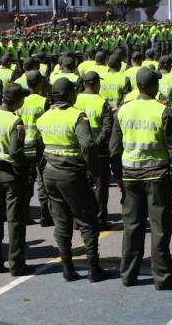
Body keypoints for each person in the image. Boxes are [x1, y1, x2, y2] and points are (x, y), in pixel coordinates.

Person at [111, 67, 172, 289]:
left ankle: (128, 274)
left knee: (132, 227)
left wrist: (118, 176)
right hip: (157, 177)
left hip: (131, 176)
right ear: (153, 86)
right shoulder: (162, 111)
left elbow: (114, 149)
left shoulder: (123, 111)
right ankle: (162, 277)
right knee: (160, 228)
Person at [35, 78, 109, 283]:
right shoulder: (77, 116)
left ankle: (68, 268)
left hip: (50, 174)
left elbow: (39, 148)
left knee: (61, 222)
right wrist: (94, 171)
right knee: (87, 220)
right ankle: (94, 268)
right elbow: (87, 145)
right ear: (70, 94)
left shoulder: (44, 117)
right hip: (72, 174)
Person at [0, 83, 32, 276]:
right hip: (10, 175)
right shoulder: (15, 121)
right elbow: (16, 152)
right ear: (18, 101)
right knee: (15, 221)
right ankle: (17, 265)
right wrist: (27, 165)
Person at [74, 71, 113, 229]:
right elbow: (107, 127)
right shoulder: (102, 102)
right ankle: (99, 220)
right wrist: (96, 144)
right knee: (100, 187)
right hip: (99, 151)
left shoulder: (75, 99)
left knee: (80, 186)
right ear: (97, 84)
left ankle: (80, 220)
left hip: (79, 150)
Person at [18, 70, 50, 225]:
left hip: (23, 145)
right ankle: (45, 216)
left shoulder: (20, 101)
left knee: (26, 182)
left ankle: (24, 214)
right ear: (39, 84)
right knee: (42, 181)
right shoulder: (44, 101)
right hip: (38, 145)